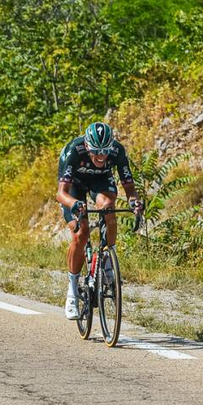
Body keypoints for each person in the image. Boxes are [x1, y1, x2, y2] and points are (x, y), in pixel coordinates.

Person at [56, 122, 144, 320]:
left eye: (105, 151)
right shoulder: (74, 151)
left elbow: (129, 188)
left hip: (100, 181)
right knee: (81, 233)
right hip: (73, 187)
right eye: (96, 151)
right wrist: (75, 204)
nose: (101, 156)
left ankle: (107, 259)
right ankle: (72, 292)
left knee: (108, 207)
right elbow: (60, 194)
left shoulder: (117, 151)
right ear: (87, 147)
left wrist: (134, 202)